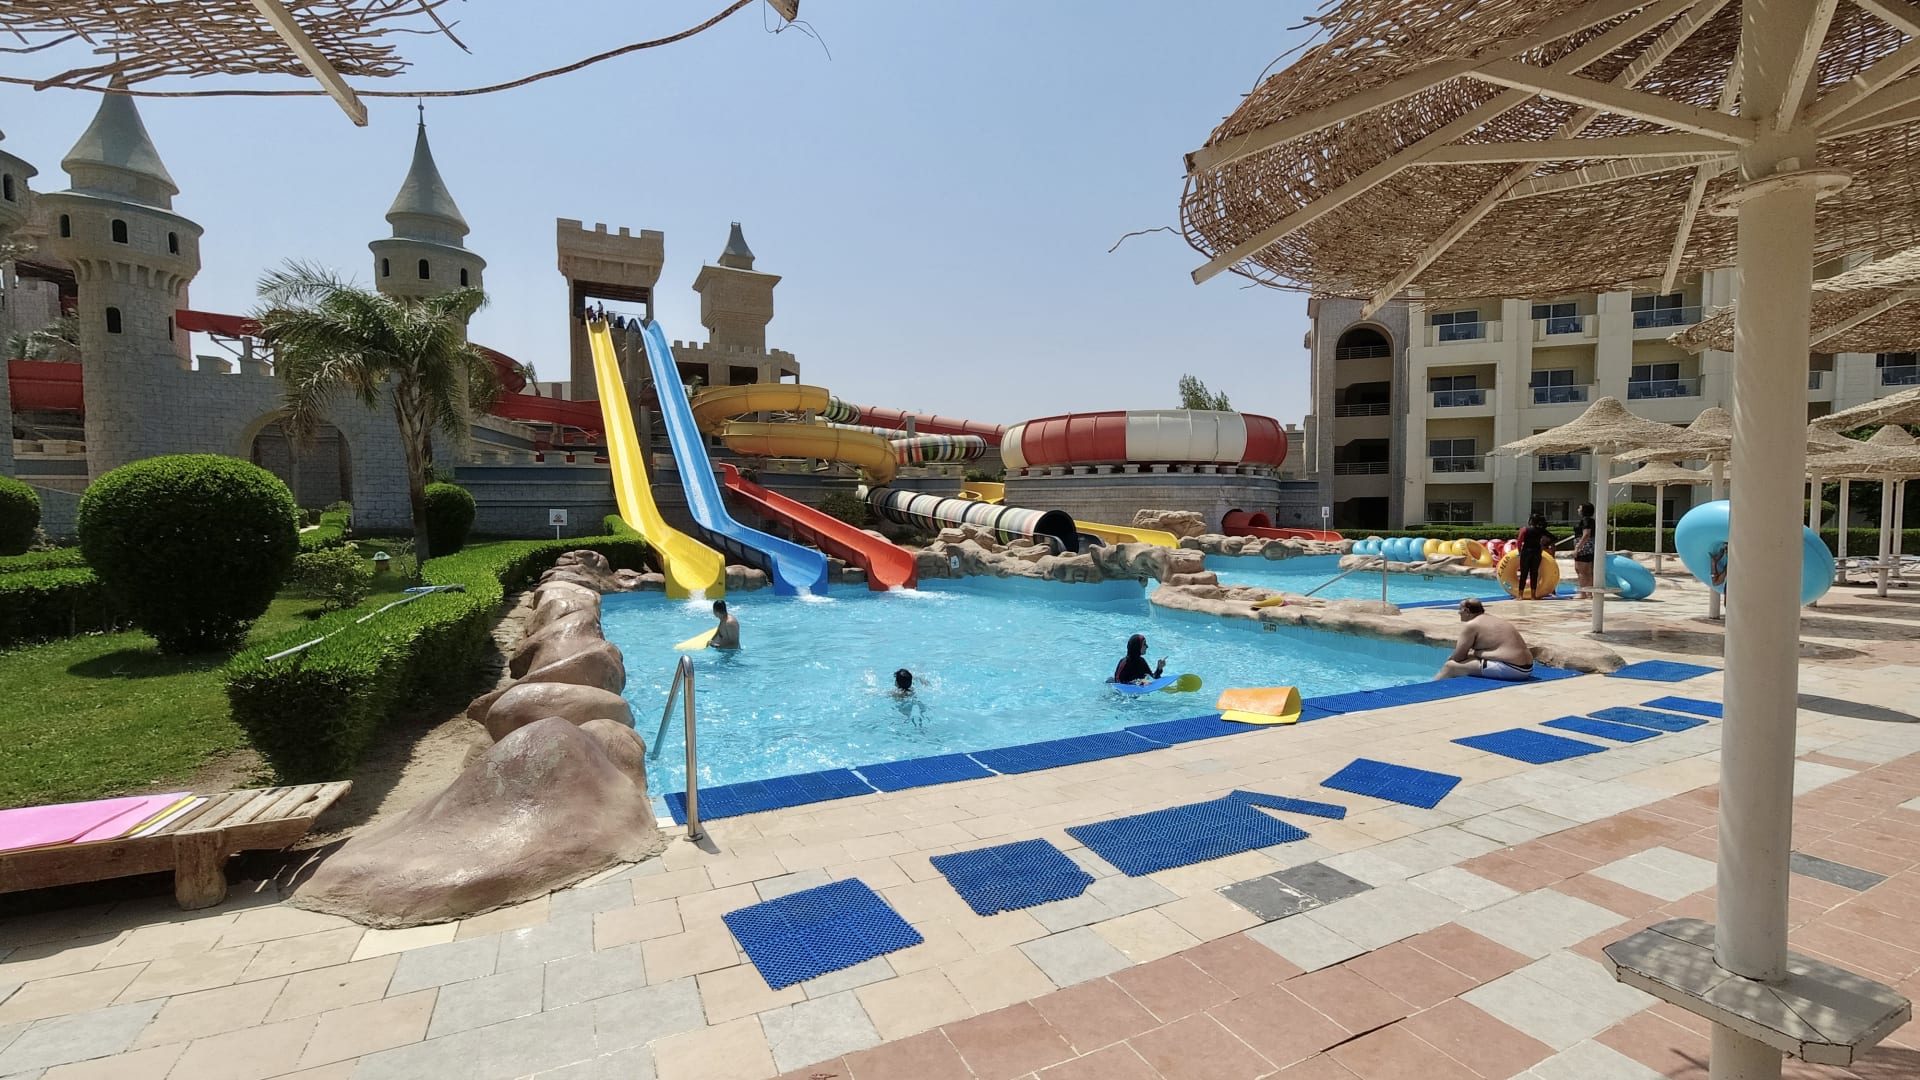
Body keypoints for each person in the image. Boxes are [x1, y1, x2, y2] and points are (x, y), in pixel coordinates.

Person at [1435, 598, 1535, 681]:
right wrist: (1477, 654)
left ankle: (1433, 689)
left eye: (1460, 609)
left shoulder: (1472, 625)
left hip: (1511, 670)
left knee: (1450, 666)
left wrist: (1454, 658)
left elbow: (1458, 657)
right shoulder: (1494, 619)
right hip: (1528, 668)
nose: (1458, 612)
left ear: (1466, 611)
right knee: (1470, 658)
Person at [1516, 513, 1554, 599]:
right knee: (1534, 573)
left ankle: (1520, 596)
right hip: (1536, 552)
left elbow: (1519, 541)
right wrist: (1544, 546)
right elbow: (1553, 538)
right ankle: (1533, 596)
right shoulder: (1541, 530)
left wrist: (1520, 552)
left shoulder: (1524, 529)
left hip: (1526, 552)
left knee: (1524, 574)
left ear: (1530, 521)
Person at [1573, 502, 1597, 597]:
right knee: (1588, 571)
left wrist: (1577, 548)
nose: (1578, 510)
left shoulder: (1585, 521)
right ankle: (1589, 593)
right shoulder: (1592, 521)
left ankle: (1582, 593)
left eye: (1580, 508)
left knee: (1580, 570)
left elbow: (1586, 534)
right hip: (1590, 547)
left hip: (1584, 547)